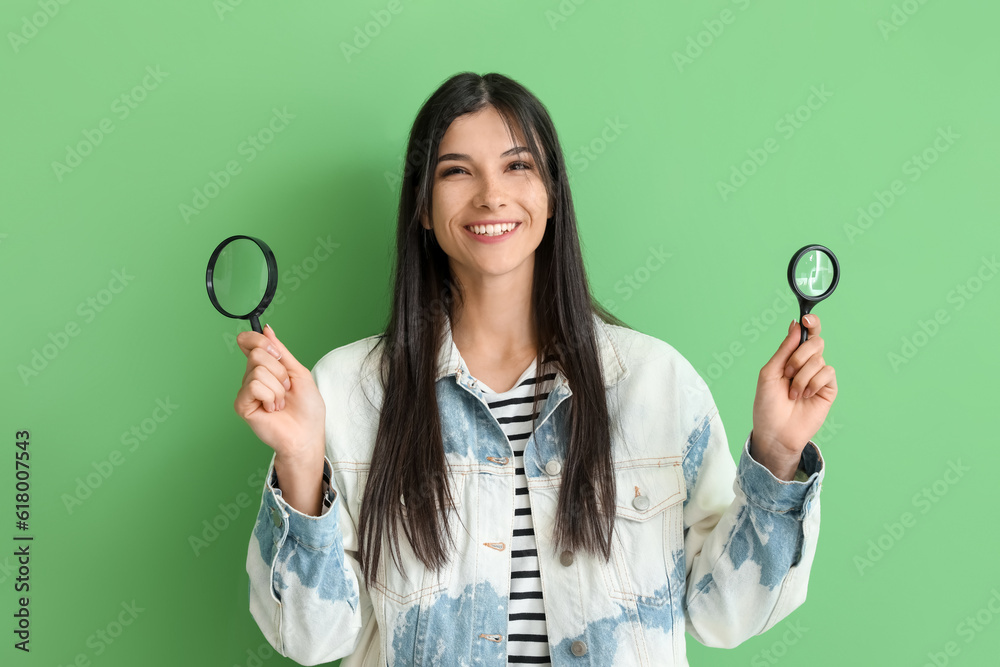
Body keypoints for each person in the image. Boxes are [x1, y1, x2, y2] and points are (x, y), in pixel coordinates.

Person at [236, 72, 835, 666]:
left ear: (551, 196)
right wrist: (299, 462)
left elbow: (723, 616)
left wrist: (779, 456)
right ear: (422, 207)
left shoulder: (658, 382)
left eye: (517, 166)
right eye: (456, 170)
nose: (491, 195)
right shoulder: (347, 390)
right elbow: (314, 639)